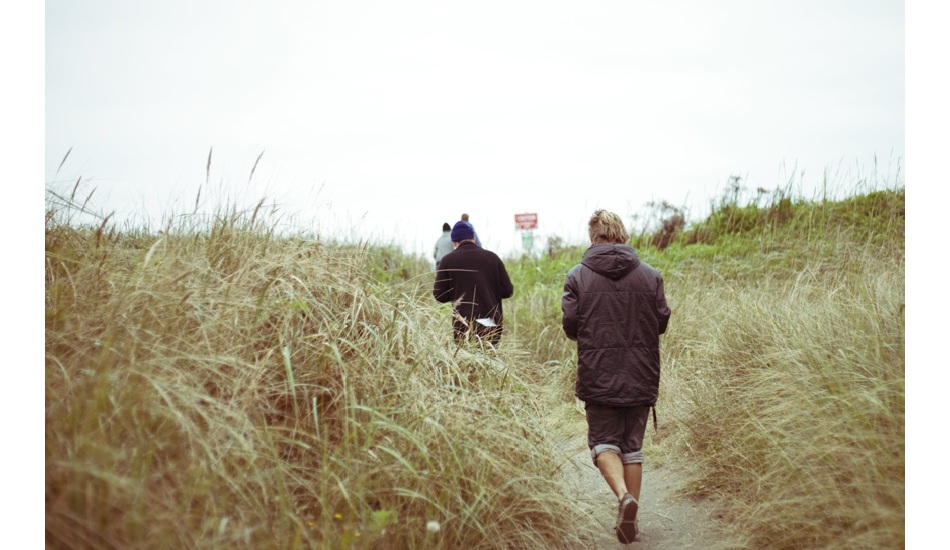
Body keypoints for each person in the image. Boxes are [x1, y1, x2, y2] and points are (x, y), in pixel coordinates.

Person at [560, 209, 671, 544]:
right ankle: (630, 525)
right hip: (642, 373)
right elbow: (662, 322)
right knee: (632, 448)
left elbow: (570, 326)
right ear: (622, 234)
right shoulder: (650, 275)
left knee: (602, 444)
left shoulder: (577, 276)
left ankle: (624, 498)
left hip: (598, 374)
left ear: (593, 236)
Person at [433, 220, 513, 346]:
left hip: (463, 323)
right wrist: (489, 290)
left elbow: (439, 295)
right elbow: (507, 291)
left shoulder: (447, 260)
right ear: (473, 238)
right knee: (489, 359)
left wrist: (457, 292)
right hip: (490, 320)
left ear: (454, 242)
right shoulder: (493, 258)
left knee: (467, 360)